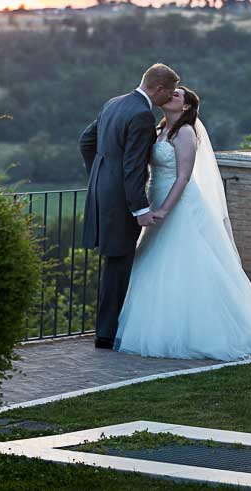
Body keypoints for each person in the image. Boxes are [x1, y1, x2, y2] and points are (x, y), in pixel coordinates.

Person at [115, 86, 251, 360]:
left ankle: (201, 331)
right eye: (169, 92)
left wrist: (166, 210)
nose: (170, 95)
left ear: (186, 108)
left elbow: (183, 177)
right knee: (153, 262)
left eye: (177, 95)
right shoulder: (160, 132)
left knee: (188, 264)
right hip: (157, 201)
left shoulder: (185, 133)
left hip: (179, 205)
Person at [80, 63, 180, 349]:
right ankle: (106, 335)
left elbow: (86, 142)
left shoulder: (114, 103)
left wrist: (100, 176)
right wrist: (140, 209)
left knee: (115, 261)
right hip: (122, 201)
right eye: (169, 92)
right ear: (158, 88)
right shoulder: (141, 115)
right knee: (118, 263)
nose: (170, 97)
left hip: (103, 192)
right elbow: (133, 167)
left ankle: (108, 329)